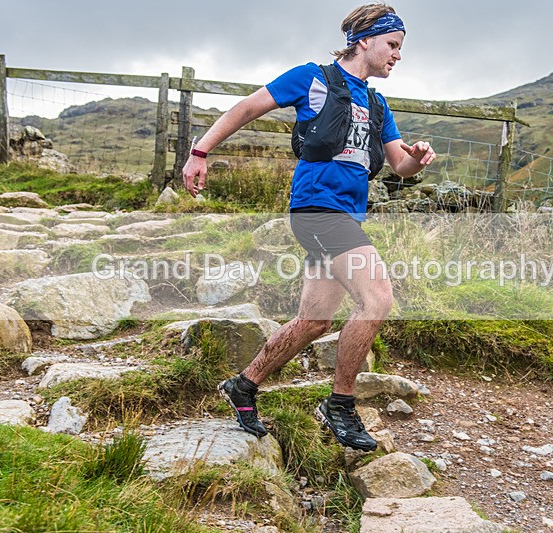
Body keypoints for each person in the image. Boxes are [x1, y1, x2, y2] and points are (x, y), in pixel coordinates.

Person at [182, 2, 436, 451]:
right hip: (317, 211)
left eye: (400, 48)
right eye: (393, 45)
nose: (398, 55)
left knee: (315, 321)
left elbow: (398, 165)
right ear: (365, 41)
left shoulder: (378, 104)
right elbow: (246, 109)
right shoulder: (312, 78)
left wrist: (416, 157)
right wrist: (200, 151)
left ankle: (244, 384)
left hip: (346, 216)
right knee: (377, 298)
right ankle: (339, 404)